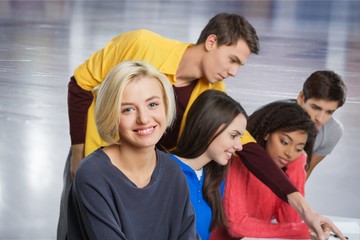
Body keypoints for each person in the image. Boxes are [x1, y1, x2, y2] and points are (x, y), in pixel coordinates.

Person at [59, 12, 346, 240]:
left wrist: (303, 207)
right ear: (211, 42)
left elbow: (245, 145)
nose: (234, 71)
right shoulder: (142, 45)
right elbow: (81, 84)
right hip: (97, 161)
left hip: (146, 176)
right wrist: (78, 151)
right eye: (233, 59)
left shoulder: (212, 91)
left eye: (240, 66)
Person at [66, 61, 199, 239]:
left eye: (152, 104)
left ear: (166, 106)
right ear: (111, 114)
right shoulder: (92, 174)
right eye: (128, 109)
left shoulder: (173, 171)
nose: (144, 119)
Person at [211, 101, 318, 239]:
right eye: (284, 142)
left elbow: (290, 221)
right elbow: (237, 226)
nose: (290, 153)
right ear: (267, 134)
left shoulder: (286, 172)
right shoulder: (239, 160)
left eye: (298, 148)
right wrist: (300, 230)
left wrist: (297, 166)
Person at [169, 90, 248, 239]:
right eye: (233, 136)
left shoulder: (216, 179)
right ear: (205, 125)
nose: (239, 146)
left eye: (240, 137)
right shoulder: (164, 169)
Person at [295, 70, 347, 179]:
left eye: (329, 112)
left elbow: (304, 171)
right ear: (301, 98)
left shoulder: (333, 131)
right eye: (315, 108)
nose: (320, 119)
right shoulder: (274, 116)